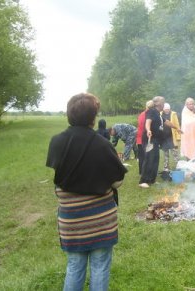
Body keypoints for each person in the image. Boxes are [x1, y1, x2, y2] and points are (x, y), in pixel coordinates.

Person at [46, 93, 127, 291]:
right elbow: (117, 181)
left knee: (74, 266)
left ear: (69, 114)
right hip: (100, 221)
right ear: (93, 116)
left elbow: (59, 174)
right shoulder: (102, 144)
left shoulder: (57, 141)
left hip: (71, 220)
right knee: (100, 266)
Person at [161, 103, 182, 171]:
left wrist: (178, 136)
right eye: (165, 109)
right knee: (166, 154)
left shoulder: (173, 114)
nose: (167, 110)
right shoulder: (160, 114)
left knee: (175, 153)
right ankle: (166, 167)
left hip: (172, 137)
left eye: (168, 109)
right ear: (163, 109)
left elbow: (177, 124)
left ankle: (178, 166)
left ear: (170, 109)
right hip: (164, 137)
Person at [137, 100, 154, 175]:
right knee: (147, 156)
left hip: (140, 137)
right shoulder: (148, 115)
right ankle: (146, 172)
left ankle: (141, 172)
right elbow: (146, 126)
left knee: (141, 156)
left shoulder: (141, 114)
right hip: (145, 137)